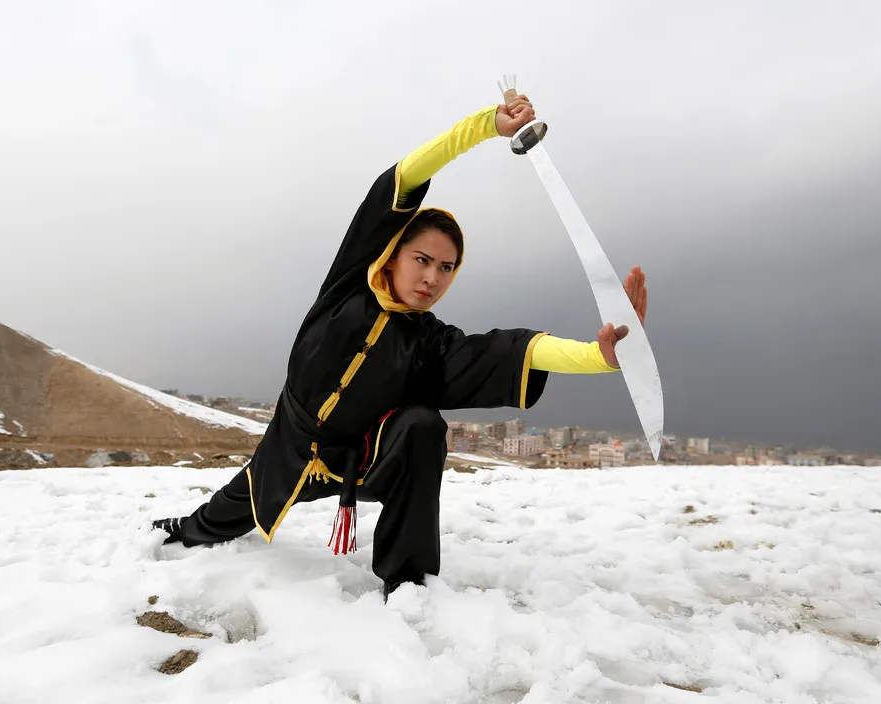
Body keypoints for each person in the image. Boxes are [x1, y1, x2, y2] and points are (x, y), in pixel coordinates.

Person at [153, 93, 649, 600]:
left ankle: (408, 583)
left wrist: (598, 357)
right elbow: (406, 177)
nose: (433, 277)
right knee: (219, 515)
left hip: (364, 462)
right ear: (392, 255)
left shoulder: (431, 343)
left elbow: (513, 351)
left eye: (446, 267)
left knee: (421, 424)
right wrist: (485, 126)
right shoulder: (348, 283)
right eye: (422, 259)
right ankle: (186, 529)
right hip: (289, 448)